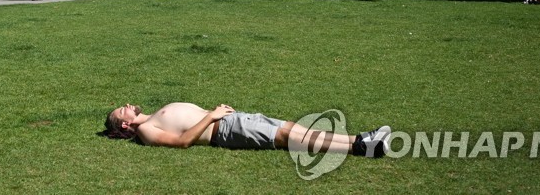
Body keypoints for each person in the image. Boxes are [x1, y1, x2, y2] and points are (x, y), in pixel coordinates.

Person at [103, 102, 390, 158]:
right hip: (224, 130)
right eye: (122, 110)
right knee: (287, 136)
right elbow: (182, 141)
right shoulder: (146, 132)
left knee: (290, 128)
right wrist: (212, 116)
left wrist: (215, 112)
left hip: (229, 121)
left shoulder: (152, 116)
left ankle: (360, 140)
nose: (127, 105)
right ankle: (360, 147)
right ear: (125, 125)